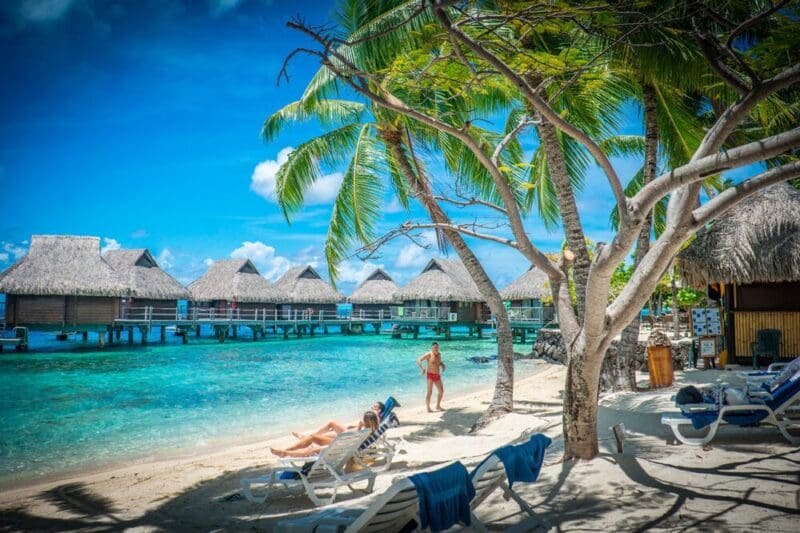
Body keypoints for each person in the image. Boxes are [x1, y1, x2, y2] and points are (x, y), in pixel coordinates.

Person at [271, 411, 379, 458]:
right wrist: (358, 427)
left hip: (341, 446)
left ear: (366, 421)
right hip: (344, 443)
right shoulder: (371, 430)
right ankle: (299, 442)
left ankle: (286, 452)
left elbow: (354, 439)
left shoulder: (363, 431)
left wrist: (359, 427)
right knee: (315, 437)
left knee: (312, 447)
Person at [290, 401, 385, 440]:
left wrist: (358, 426)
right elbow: (366, 427)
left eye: (375, 406)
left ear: (379, 409)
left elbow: (362, 429)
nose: (373, 406)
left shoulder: (375, 415)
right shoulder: (374, 420)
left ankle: (305, 438)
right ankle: (306, 437)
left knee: (331, 423)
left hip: (350, 435)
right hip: (351, 433)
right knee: (324, 435)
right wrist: (355, 426)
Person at [417, 342, 446, 412]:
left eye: (437, 347)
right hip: (430, 375)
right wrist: (422, 368)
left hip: (437, 375)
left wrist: (442, 364)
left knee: (441, 391)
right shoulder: (429, 354)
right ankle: (428, 407)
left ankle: (438, 405)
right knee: (429, 392)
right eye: (435, 347)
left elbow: (438, 362)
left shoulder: (439, 354)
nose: (436, 349)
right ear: (432, 348)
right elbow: (419, 360)